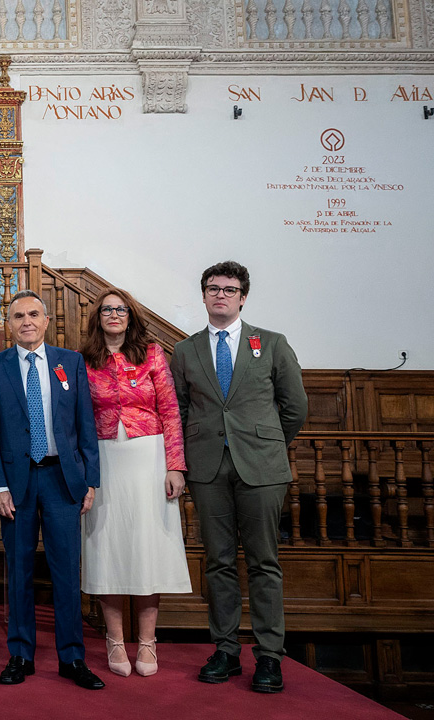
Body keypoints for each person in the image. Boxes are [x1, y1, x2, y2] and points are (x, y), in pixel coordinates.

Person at [170, 261, 307, 694]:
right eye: (213, 289)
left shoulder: (271, 343)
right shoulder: (186, 350)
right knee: (219, 562)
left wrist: (266, 443)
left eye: (229, 289)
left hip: (262, 468)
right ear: (204, 295)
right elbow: (180, 409)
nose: (221, 295)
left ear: (243, 296)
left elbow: (295, 406)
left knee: (265, 562)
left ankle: (269, 655)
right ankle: (226, 650)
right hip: (208, 467)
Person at [0, 290, 104, 690]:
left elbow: (86, 424)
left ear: (47, 320)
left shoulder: (71, 363)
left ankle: (72, 657)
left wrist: (91, 480)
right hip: (16, 484)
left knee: (67, 572)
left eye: (34, 314)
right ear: (8, 324)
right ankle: (20, 654)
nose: (27, 321)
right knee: (19, 570)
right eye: (18, 316)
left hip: (63, 480)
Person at [79, 288, 192, 678]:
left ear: (130, 316)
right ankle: (114, 640)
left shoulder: (152, 354)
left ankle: (147, 642)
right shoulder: (85, 360)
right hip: (104, 458)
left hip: (149, 455)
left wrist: (175, 465)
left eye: (120, 309)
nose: (113, 314)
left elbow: (171, 411)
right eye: (107, 309)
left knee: (146, 547)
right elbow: (78, 418)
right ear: (98, 317)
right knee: (108, 546)